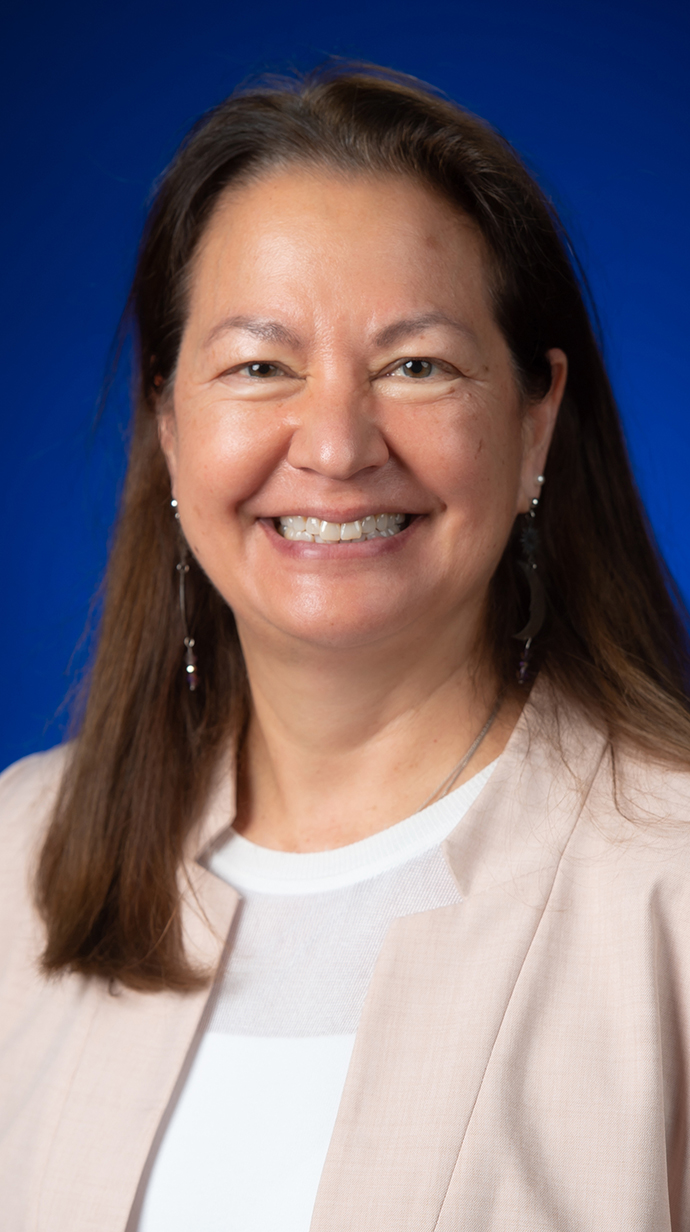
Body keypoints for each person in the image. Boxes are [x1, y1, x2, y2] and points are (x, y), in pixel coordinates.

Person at [1, 61, 690, 1232]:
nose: (332, 444)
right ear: (169, 423)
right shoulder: (18, 854)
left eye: (415, 365)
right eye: (259, 366)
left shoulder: (670, 888)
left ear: (535, 420)